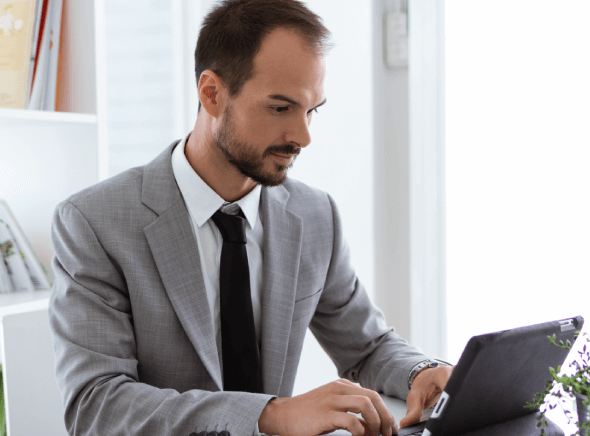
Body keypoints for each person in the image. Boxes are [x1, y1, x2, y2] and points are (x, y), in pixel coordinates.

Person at [48, 1, 453, 435]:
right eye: (280, 108)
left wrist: (420, 372)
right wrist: (271, 415)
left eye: (312, 109)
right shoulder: (92, 223)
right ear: (212, 93)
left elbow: (367, 347)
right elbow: (98, 405)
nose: (303, 136)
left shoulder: (316, 216)